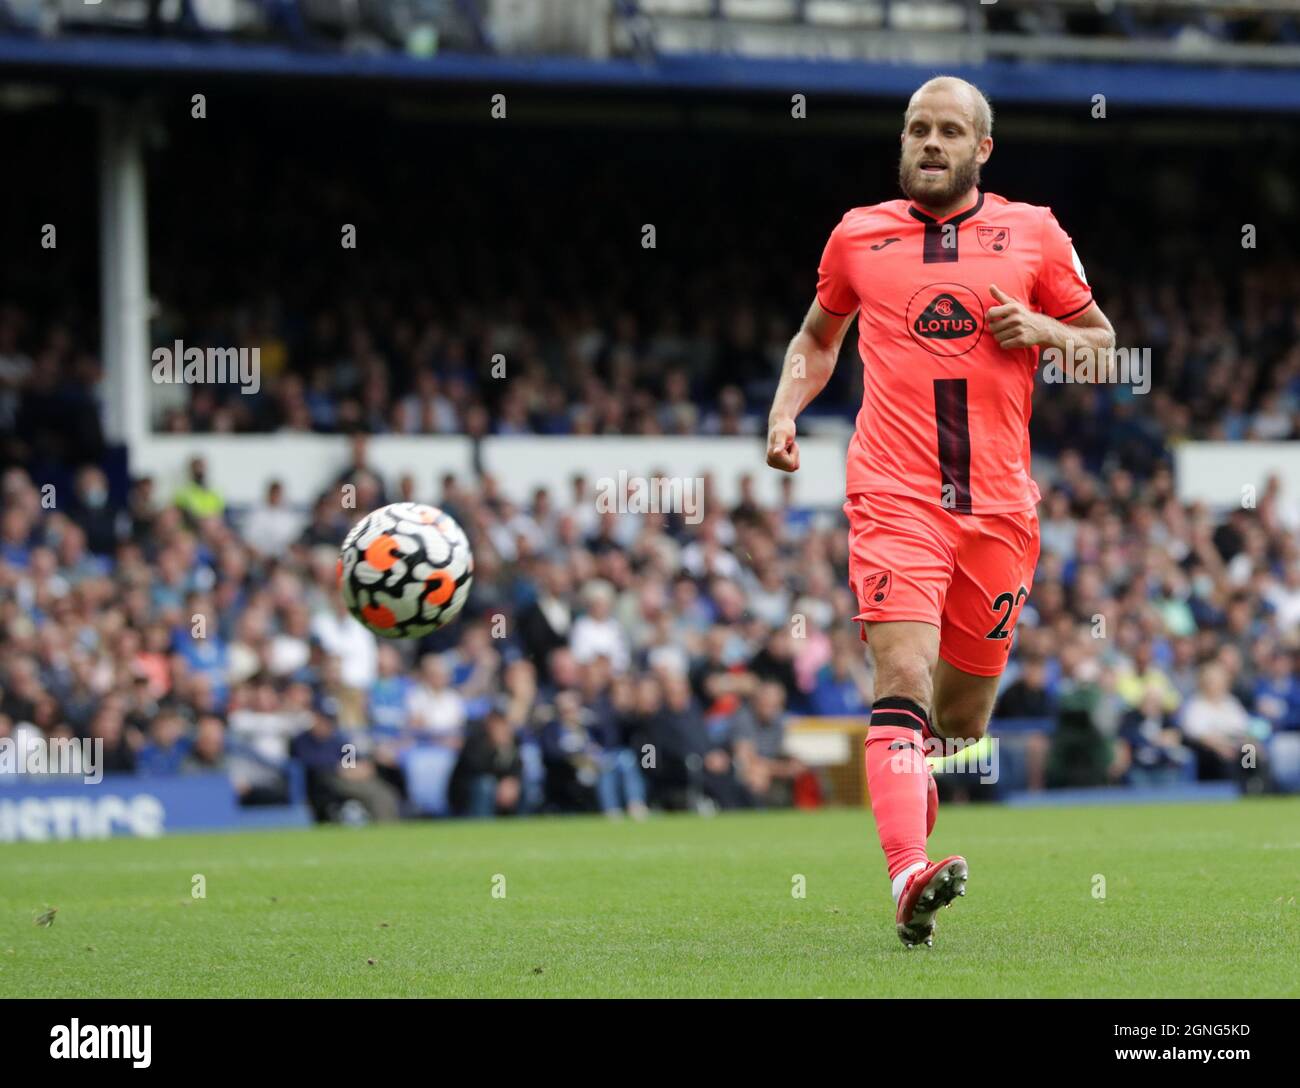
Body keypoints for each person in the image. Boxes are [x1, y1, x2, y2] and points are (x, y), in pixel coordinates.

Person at [764, 75, 1116, 947]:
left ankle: (912, 823)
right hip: (895, 494)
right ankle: (906, 874)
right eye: (917, 128)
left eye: (949, 130)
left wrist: (1048, 335)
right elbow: (817, 337)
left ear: (981, 149)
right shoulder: (858, 235)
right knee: (903, 681)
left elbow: (1107, 351)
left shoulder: (1034, 233)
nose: (929, 142)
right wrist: (783, 408)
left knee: (959, 723)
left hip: (998, 509)